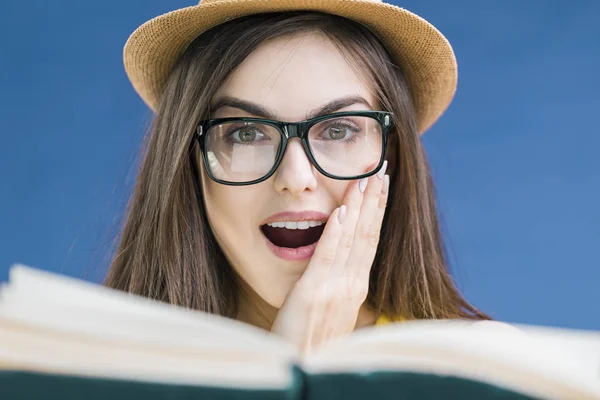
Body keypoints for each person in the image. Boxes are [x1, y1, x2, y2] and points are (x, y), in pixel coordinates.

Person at [105, 0, 490, 353]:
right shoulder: (96, 369)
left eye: (338, 130)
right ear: (188, 159)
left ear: (391, 152)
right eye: (246, 133)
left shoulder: (483, 368)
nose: (296, 177)